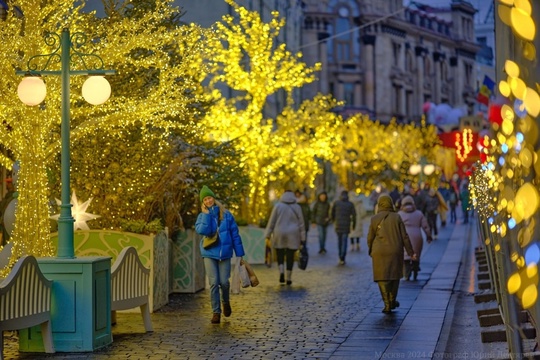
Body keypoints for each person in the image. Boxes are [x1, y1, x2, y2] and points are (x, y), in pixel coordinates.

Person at [195, 185, 245, 324]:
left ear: (214, 198)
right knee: (213, 283)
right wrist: (206, 215)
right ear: (203, 202)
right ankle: (216, 312)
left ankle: (226, 302)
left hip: (224, 253)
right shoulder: (202, 216)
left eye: (209, 197)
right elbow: (202, 231)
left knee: (224, 282)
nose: (208, 201)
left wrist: (239, 254)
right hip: (209, 253)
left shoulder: (227, 215)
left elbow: (235, 235)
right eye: (205, 199)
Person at [367, 194, 416, 314]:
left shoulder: (374, 219)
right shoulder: (397, 217)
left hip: (379, 251)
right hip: (395, 250)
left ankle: (387, 304)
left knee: (382, 277)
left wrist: (371, 250)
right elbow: (404, 236)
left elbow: (370, 238)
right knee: (394, 276)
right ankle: (393, 300)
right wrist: (411, 252)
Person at [264, 190, 305, 285]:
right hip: (293, 233)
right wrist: (303, 238)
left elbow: (272, 221)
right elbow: (301, 223)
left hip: (279, 232)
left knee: (280, 252)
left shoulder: (278, 206)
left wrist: (268, 234)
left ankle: (281, 271)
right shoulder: (297, 207)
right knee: (290, 255)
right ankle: (289, 277)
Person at [398, 195, 432, 281]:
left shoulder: (400, 214)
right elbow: (425, 226)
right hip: (417, 237)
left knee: (405, 257)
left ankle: (406, 273)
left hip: (404, 237)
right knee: (415, 255)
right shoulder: (418, 213)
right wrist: (429, 236)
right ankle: (415, 270)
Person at [331, 190, 356, 265]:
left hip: (338, 225)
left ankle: (340, 256)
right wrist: (354, 225)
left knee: (339, 241)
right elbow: (354, 216)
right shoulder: (350, 204)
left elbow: (332, 213)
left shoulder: (336, 203)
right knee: (344, 241)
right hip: (346, 225)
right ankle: (343, 256)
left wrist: (333, 220)